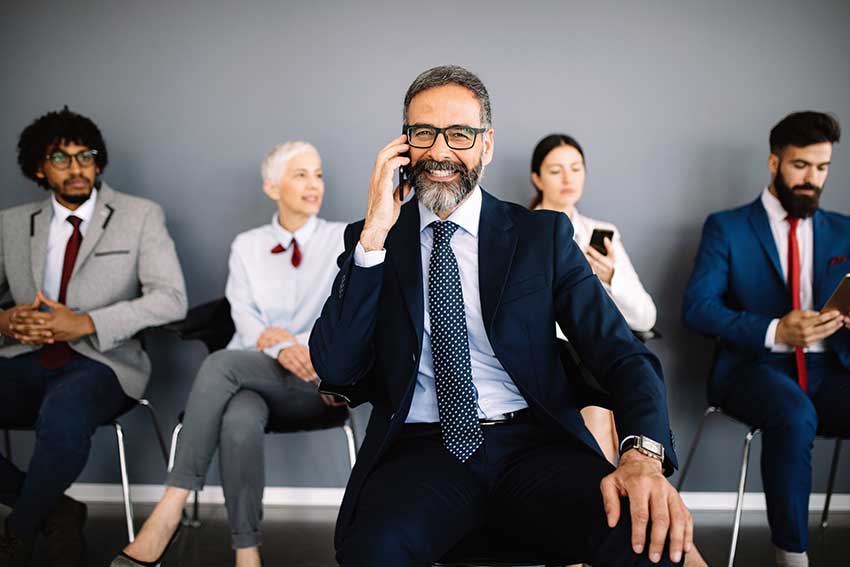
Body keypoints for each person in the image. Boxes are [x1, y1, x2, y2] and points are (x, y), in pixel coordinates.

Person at [310, 65, 694, 567]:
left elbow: (621, 353)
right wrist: (375, 235)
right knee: (371, 553)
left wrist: (641, 455)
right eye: (423, 133)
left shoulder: (543, 238)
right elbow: (336, 367)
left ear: (486, 145)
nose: (441, 151)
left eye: (460, 134)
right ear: (403, 146)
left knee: (646, 540)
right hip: (422, 451)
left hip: (533, 446)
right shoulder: (373, 240)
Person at [112, 141, 346, 567]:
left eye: (318, 175)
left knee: (220, 363)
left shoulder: (341, 240)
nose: (314, 184)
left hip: (312, 379)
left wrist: (297, 345)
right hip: (253, 372)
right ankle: (246, 552)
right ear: (272, 187)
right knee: (239, 418)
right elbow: (244, 317)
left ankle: (168, 510)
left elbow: (346, 311)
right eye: (301, 175)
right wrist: (278, 345)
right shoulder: (247, 245)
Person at [0, 108, 188, 567]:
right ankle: (55, 509)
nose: (77, 167)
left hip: (103, 363)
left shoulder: (140, 215)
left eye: (85, 156)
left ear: (99, 162)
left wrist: (86, 323)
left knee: (64, 410)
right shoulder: (10, 222)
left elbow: (171, 299)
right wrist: (4, 323)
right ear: (38, 169)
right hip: (26, 355)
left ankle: (18, 532)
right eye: (60, 159)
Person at [683, 111, 849, 567]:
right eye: (800, 166)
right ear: (775, 163)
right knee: (794, 415)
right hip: (753, 369)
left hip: (829, 368)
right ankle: (792, 558)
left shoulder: (844, 229)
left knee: (803, 409)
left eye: (822, 168)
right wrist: (777, 329)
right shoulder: (727, 227)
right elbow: (697, 309)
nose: (811, 180)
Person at [530, 133, 657, 464]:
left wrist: (610, 278)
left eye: (576, 168)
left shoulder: (602, 234)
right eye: (556, 170)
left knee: (617, 399)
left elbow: (646, 318)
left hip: (593, 354)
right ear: (537, 178)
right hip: (547, 357)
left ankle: (615, 492)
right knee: (602, 409)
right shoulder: (521, 233)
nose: (568, 178)